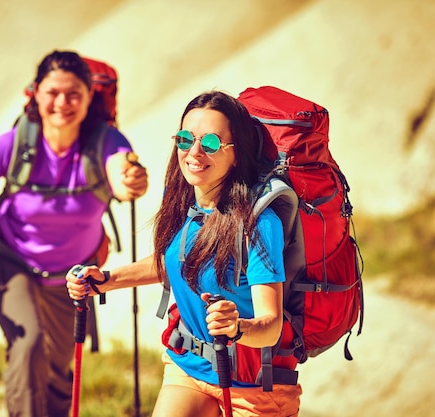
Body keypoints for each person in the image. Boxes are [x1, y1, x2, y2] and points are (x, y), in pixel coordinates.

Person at [0, 50, 148, 416]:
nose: (62, 103)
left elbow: (121, 176)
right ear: (36, 93)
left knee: (57, 370)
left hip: (72, 277)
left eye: (74, 94)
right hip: (11, 263)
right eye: (53, 92)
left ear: (89, 97)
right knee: (28, 346)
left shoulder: (107, 142)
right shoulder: (14, 145)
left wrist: (131, 181)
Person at [66, 90, 302, 416]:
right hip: (188, 368)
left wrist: (237, 327)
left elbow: (271, 325)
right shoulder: (183, 199)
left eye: (210, 144)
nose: (193, 153)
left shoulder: (259, 223)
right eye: (185, 139)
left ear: (236, 154)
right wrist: (104, 280)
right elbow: (174, 260)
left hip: (255, 385)